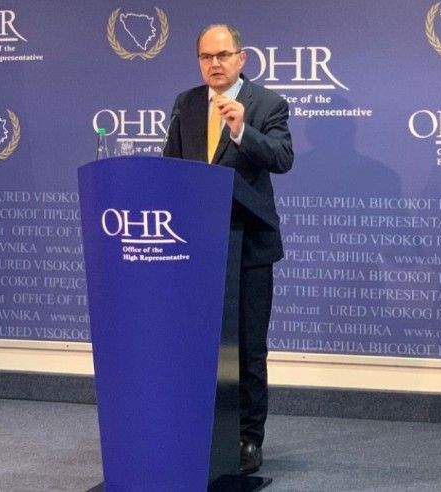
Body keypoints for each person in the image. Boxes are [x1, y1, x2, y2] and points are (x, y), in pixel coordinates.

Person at [163, 24, 293, 475]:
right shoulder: (186, 103)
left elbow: (282, 158)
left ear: (241, 58)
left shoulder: (267, 104)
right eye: (206, 57)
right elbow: (171, 166)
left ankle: (248, 438)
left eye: (222, 55)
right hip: (197, 247)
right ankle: (202, 431)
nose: (214, 64)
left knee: (249, 349)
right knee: (201, 347)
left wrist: (241, 131)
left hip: (249, 245)